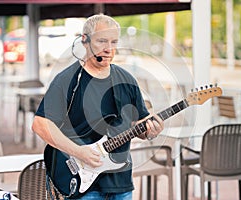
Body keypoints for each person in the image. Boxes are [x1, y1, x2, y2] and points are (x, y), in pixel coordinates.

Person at [32, 14, 164, 200]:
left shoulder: (127, 80)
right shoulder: (67, 80)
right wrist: (78, 151)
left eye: (114, 42)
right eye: (102, 41)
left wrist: (151, 131)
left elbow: (140, 125)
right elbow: (40, 124)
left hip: (121, 182)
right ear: (84, 41)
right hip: (83, 184)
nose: (109, 49)